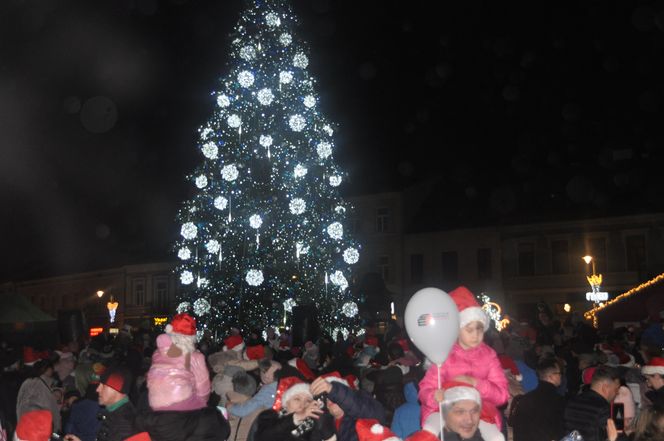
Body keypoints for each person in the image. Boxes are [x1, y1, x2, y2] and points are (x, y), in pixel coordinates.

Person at [418, 286, 508, 440]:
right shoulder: (443, 354)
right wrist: (434, 396)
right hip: (446, 412)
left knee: (496, 437)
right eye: (469, 329)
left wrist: (476, 383)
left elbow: (502, 395)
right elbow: (425, 389)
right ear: (457, 329)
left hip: (481, 412)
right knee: (428, 432)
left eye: (479, 329)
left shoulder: (489, 356)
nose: (476, 335)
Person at [146, 313, 210, 411]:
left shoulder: (158, 353)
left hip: (155, 403)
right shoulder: (195, 357)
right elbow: (203, 390)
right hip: (182, 404)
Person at [65, 365, 139, 441]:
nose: (97, 389)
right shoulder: (113, 411)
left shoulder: (124, 425)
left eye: (103, 385)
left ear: (116, 390)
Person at [250, 376, 336, 441]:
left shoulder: (313, 425)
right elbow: (263, 437)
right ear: (286, 402)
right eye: (297, 399)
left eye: (308, 401)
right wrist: (296, 417)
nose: (302, 405)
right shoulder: (270, 416)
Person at [310, 372, 386, 441]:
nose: (329, 400)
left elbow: (373, 413)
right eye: (325, 397)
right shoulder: (324, 424)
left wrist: (332, 389)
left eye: (332, 396)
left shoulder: (359, 416)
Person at [563, 365, 627, 441]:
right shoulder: (604, 409)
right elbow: (619, 438)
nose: (617, 393)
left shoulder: (572, 401)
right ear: (605, 388)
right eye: (616, 389)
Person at [509, 357, 565, 441]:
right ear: (551, 376)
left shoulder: (525, 399)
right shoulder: (559, 401)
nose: (561, 376)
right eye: (559, 373)